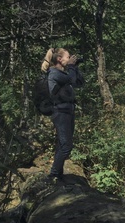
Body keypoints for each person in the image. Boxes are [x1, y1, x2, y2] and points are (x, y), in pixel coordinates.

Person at [41, 48, 85, 183]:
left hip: (68, 112)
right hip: (60, 113)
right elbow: (70, 80)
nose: (70, 58)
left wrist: (75, 67)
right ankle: (53, 175)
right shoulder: (54, 73)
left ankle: (58, 175)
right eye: (68, 57)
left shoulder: (63, 74)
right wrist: (71, 66)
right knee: (66, 146)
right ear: (59, 59)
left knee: (62, 145)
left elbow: (79, 83)